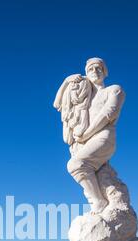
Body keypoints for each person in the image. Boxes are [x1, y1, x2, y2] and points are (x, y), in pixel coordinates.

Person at [54, 57, 125, 214]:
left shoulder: (114, 89)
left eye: (98, 68)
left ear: (105, 72)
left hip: (103, 137)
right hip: (86, 140)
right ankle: (104, 201)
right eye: (91, 69)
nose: (95, 71)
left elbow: (109, 113)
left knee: (76, 165)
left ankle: (97, 201)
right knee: (94, 172)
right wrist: (66, 81)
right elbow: (58, 104)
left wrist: (86, 133)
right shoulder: (84, 97)